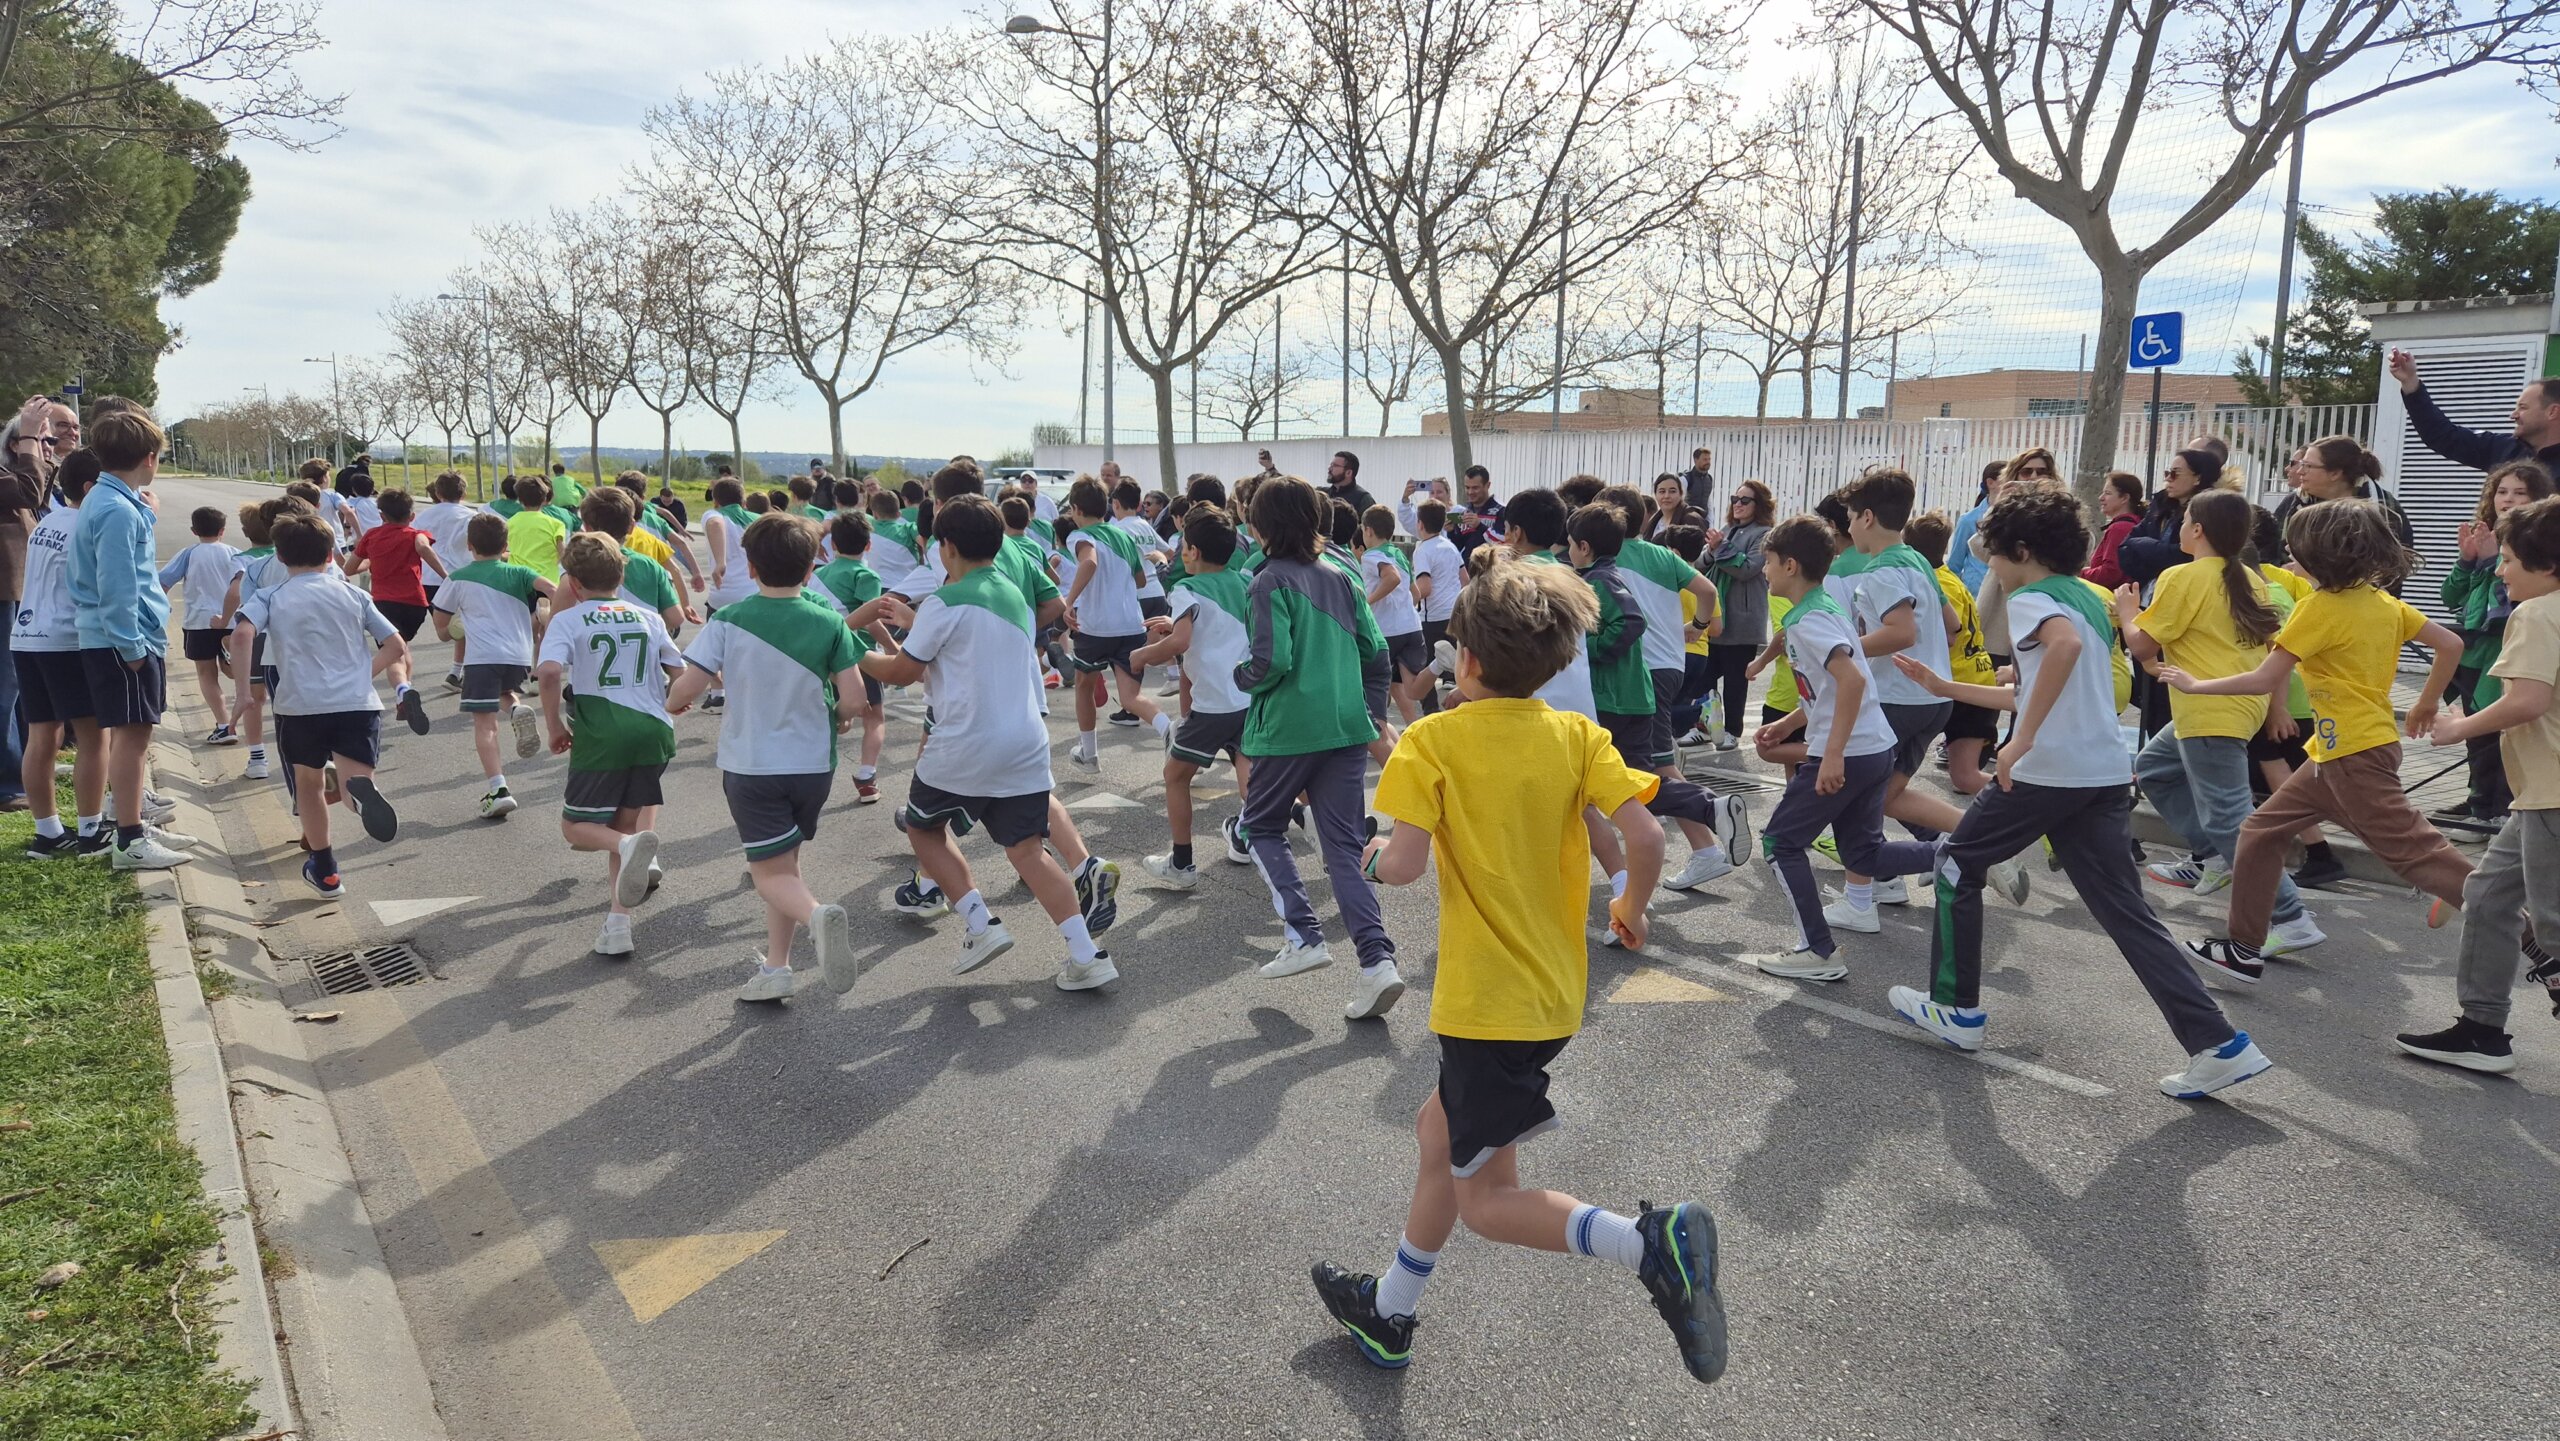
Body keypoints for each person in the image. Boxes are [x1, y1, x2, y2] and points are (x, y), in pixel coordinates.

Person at [1312, 557, 1726, 1385]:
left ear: (1463, 659)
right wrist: (1632, 909)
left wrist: (1367, 854)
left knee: (1488, 1197)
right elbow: (1643, 841)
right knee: (1440, 1135)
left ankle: (1646, 1242)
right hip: (1552, 994)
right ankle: (1391, 1310)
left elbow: (1403, 866)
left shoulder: (1431, 739)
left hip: (1483, 1006)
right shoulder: (1577, 734)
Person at [1885, 486, 2275, 1099]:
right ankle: (2219, 1043)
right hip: (2101, 773)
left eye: (1992, 550)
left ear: (2021, 549)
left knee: (1957, 865)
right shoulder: (2087, 599)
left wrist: (2017, 744)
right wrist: (1944, 685)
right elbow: (2040, 683)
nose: (1986, 560)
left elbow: (2056, 657)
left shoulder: (2031, 596)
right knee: (2126, 912)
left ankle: (1955, 1009)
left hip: (2050, 771)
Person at [2171, 501, 2474, 985]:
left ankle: (2532, 940)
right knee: (2260, 832)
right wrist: (2425, 703)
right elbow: (2451, 645)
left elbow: (2263, 678)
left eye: (2295, 546)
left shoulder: (2318, 609)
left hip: (2353, 755)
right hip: (2337, 752)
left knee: (2414, 855)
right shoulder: (2382, 601)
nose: (2289, 552)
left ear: (2317, 555)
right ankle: (2243, 948)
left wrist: (2194, 685)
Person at [860, 496, 1118, 993]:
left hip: (962, 741)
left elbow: (901, 671)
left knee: (923, 827)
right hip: (1023, 740)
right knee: (1027, 849)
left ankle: (981, 923)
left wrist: (853, 650)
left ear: (946, 546)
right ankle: (1088, 955)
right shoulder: (1015, 597)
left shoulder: (942, 601)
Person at [2113, 490, 2324, 954]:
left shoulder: (2182, 575)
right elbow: (2267, 649)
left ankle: (2291, 917)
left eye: (2185, 519)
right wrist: (2273, 707)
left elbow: (2144, 645)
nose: (2179, 527)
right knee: (2154, 768)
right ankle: (2212, 856)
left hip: (2209, 709)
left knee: (2230, 817)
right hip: (2230, 706)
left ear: (2197, 530)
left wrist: (2129, 614)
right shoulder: (2248, 575)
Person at [665, 515, 863, 1002]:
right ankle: (777, 969)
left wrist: (673, 700)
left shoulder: (729, 620)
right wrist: (839, 717)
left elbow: (685, 689)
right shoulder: (829, 621)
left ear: (750, 568)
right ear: (810, 567)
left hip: (753, 764)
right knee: (784, 869)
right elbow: (855, 699)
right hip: (814, 765)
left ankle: (816, 917)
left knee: (768, 874)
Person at [1748, 516, 1950, 980]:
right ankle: (1955, 853)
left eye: (1769, 562)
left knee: (1781, 842)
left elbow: (1853, 679)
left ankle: (1817, 950)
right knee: (1864, 855)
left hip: (1852, 753)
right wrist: (1788, 723)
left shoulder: (1810, 621)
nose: (1765, 571)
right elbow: (1831, 687)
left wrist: (1832, 753)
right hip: (1873, 748)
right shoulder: (1823, 610)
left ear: (1791, 565)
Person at [2400, 494, 2560, 1073]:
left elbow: (2528, 699)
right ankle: (2481, 1030)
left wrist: (2456, 727)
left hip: (2552, 796)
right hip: (2538, 796)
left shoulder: (2537, 613)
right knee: (2488, 897)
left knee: (2554, 926)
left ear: (2545, 566)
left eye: (2510, 559)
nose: (2499, 569)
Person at [1236, 475, 1404, 1018]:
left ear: (1258, 525)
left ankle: (1304, 935)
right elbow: (1377, 654)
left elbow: (1271, 662)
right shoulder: (1345, 575)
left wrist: (1242, 676)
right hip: (1348, 727)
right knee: (1343, 849)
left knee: (1259, 825)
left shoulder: (1266, 581)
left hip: (1287, 729)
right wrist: (1372, 711)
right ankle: (1378, 964)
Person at [1566, 503, 1745, 895]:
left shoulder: (1600, 580)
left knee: (1608, 783)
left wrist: (1586, 644)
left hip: (1616, 698)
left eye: (1570, 543)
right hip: (1636, 692)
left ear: (1583, 546)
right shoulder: (1619, 569)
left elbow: (1630, 622)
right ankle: (1707, 810)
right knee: (1639, 778)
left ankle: (1625, 879)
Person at [233, 511, 411, 896]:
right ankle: (359, 801)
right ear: (331, 553)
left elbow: (243, 634)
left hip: (300, 705)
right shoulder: (354, 593)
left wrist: (244, 693)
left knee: (310, 785)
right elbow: (396, 645)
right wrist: (364, 673)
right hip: (356, 702)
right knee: (352, 785)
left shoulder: (271, 596)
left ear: (279, 557)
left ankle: (327, 871)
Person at [1832, 467, 1978, 929]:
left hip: (1896, 698)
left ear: (1869, 517)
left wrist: (1840, 648)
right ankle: (1967, 840)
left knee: (1856, 799)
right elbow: (1951, 627)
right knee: (1888, 797)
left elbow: (1900, 631)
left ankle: (1859, 902)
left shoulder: (1879, 572)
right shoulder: (1918, 561)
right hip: (1930, 698)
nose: (1850, 527)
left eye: (1852, 517)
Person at [535, 534, 678, 959]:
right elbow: (678, 665)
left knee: (576, 828)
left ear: (574, 583)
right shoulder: (647, 616)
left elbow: (547, 672)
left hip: (603, 733)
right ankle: (618, 925)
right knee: (625, 826)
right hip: (653, 730)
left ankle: (627, 850)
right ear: (622, 574)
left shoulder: (570, 618)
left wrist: (554, 724)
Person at [69, 409, 188, 869]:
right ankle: (130, 839)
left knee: (132, 737)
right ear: (150, 458)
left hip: (116, 637)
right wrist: (133, 648)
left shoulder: (109, 500)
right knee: (133, 738)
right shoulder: (117, 510)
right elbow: (118, 585)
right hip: (122, 640)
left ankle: (134, 826)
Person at [1135, 505, 1253, 889]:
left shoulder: (1186, 588)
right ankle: (1256, 836)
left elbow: (1181, 642)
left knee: (1175, 775)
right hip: (1248, 698)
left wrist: (1141, 656)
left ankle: (1182, 863)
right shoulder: (1242, 580)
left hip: (1212, 704)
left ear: (1192, 552)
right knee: (1249, 774)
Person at [2436, 460, 2554, 828]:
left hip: (2505, 653)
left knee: (2493, 728)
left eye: (2521, 493)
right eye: (2502, 491)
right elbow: (2452, 596)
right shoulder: (2488, 540)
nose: (2508, 499)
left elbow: (2503, 607)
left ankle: (2498, 808)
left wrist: (2488, 561)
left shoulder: (2535, 593)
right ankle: (2479, 802)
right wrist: (2469, 560)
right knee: (2479, 731)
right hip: (2475, 655)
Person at [431, 512, 554, 819]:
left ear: (470, 546)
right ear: (506, 545)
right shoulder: (521, 573)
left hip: (481, 657)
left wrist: (449, 632)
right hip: (518, 655)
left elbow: (442, 624)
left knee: (484, 724)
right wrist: (549, 614)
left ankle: (498, 789)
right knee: (505, 693)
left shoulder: (457, 578)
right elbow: (553, 589)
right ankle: (515, 709)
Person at [14, 447, 107, 854]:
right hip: (66, 639)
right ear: (92, 487)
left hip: (28, 635)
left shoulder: (46, 523)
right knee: (94, 736)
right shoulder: (86, 526)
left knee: (42, 735)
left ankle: (48, 831)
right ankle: (91, 829)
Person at [1061, 475, 1165, 765]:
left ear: (1076, 509)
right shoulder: (1123, 535)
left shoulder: (1079, 536)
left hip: (1095, 626)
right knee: (1131, 697)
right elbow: (1141, 580)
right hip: (1131, 625)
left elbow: (1090, 562)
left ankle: (1089, 753)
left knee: (1083, 684)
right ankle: (1167, 728)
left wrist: (1069, 602)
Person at [1906, 512, 1997, 795]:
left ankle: (2032, 800)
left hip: (1963, 685)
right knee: (1964, 777)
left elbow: (1950, 633)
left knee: (1965, 777)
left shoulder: (1937, 584)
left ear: (1908, 548)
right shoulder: (1947, 577)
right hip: (1976, 678)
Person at [345, 488, 442, 739]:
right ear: (411, 515)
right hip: (415, 604)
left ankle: (400, 690)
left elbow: (350, 567)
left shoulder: (372, 536)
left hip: (384, 603)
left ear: (381, 515)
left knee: (393, 654)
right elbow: (423, 548)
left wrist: (371, 561)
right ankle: (404, 698)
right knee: (401, 647)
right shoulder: (416, 534)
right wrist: (446, 576)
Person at [814, 510, 892, 803]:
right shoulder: (865, 575)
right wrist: (894, 648)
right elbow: (872, 618)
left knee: (838, 712)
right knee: (875, 718)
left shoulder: (818, 574)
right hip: (861, 653)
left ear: (833, 545)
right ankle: (866, 777)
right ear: (868, 545)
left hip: (826, 652)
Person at [2389, 347, 2560, 479]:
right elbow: (2442, 435)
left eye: (2523, 407)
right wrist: (2410, 382)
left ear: (2552, 412)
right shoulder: (2502, 448)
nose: (2513, 415)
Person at [2267, 434, 2417, 582]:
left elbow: (2393, 566)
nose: (2300, 471)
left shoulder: (2383, 508)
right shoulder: (2293, 503)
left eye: (2308, 466)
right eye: (2301, 464)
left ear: (2335, 473)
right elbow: (2269, 553)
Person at [1696, 480, 1773, 751]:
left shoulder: (1764, 534)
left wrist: (1719, 549)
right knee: (1704, 677)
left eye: (1745, 500)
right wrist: (1713, 550)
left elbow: (1748, 568)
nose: (1737, 504)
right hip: (1716, 616)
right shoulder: (1727, 530)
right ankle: (1704, 725)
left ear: (1759, 504)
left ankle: (1732, 731)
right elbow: (1701, 564)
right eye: (1735, 499)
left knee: (1735, 682)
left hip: (1742, 619)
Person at [160, 506, 242, 746]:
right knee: (236, 672)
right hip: (231, 621)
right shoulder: (235, 553)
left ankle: (224, 724)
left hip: (198, 622)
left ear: (194, 530)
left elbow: (163, 582)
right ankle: (237, 717)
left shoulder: (188, 554)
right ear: (223, 531)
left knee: (207, 675)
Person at [1359, 505, 1432, 724]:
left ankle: (1378, 731)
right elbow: (1416, 593)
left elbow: (1392, 578)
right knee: (1406, 688)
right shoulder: (1398, 553)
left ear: (1368, 530)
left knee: (1373, 682)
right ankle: (1412, 728)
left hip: (1386, 630)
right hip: (1411, 627)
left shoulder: (1371, 556)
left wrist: (1367, 601)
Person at [1411, 500, 1463, 698]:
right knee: (1458, 666)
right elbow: (1464, 579)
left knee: (1424, 669)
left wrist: (1407, 602)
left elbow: (1425, 587)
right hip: (1454, 613)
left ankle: (1430, 709)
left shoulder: (1423, 550)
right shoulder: (1450, 547)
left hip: (1431, 617)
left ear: (1420, 524)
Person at [1948, 460, 2007, 593]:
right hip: (1974, 596)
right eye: (2007, 479)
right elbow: (1954, 565)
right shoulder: (1968, 520)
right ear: (1990, 483)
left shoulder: (2014, 518)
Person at [2081, 471, 2144, 589]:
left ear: (2124, 498)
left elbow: (2110, 573)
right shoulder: (2134, 524)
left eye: (2108, 493)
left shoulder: (2119, 528)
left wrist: (2079, 575)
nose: (2101, 498)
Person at [506, 473, 569, 584]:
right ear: (544, 499)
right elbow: (563, 553)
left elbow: (503, 551)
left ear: (520, 500)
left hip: (517, 580)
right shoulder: (556, 524)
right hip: (547, 581)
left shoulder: (510, 523)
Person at [1450, 464, 1504, 558]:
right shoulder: (1465, 512)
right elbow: (1459, 547)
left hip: (1492, 570)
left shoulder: (1501, 510)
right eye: (1467, 487)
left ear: (1488, 485)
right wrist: (1451, 531)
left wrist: (1480, 526)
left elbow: (1504, 544)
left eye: (1475, 488)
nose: (1470, 492)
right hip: (1468, 570)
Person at [1325, 449, 1377, 519]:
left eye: (1335, 465)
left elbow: (1370, 528)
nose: (1329, 468)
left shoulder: (1363, 499)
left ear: (1348, 472)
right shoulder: (1323, 494)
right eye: (1331, 465)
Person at [1681, 446, 1716, 514]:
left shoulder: (1709, 479)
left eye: (1709, 459)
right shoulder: (1686, 478)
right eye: (1705, 459)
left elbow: (1709, 503)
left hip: (1703, 521)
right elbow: (1678, 502)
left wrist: (1710, 522)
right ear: (1695, 460)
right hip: (1687, 520)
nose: (1708, 462)